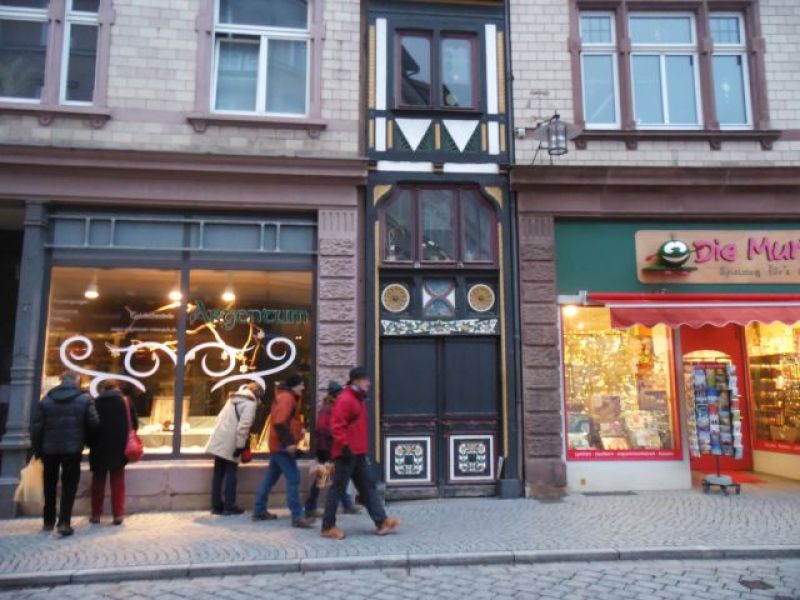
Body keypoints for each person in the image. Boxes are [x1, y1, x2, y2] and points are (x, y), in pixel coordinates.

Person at [321, 367, 399, 540]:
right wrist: (345, 446)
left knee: (368, 487)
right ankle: (327, 527)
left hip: (358, 452)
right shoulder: (346, 399)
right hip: (346, 452)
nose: (369, 383)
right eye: (366, 380)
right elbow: (337, 425)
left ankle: (382, 522)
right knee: (337, 489)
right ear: (356, 381)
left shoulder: (358, 398)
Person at [30, 371, 99, 536]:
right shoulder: (84, 400)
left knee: (49, 484)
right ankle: (64, 522)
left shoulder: (46, 400)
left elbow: (36, 428)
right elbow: (94, 423)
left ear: (60, 381)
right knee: (69, 485)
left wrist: (38, 450)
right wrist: (87, 441)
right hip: (73, 449)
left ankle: (48, 521)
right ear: (76, 381)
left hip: (49, 449)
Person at [251, 374, 314, 528]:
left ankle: (259, 510)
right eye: (300, 385)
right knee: (293, 478)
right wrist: (289, 443)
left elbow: (285, 421)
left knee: (270, 478)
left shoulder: (286, 397)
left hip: (278, 445)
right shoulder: (286, 398)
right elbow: (280, 423)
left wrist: (298, 430)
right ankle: (297, 516)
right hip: (282, 447)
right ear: (294, 386)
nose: (303, 387)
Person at [304, 381, 360, 519]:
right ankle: (345, 504)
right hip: (327, 448)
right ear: (335, 395)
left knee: (326, 476)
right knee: (333, 476)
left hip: (326, 447)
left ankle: (312, 506)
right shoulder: (329, 408)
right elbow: (324, 430)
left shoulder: (330, 407)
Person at [89, 380, 138, 525]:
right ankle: (118, 514)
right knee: (117, 481)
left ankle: (96, 514)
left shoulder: (95, 403)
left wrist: (90, 442)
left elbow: (90, 425)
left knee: (98, 482)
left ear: (103, 389)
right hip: (119, 447)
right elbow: (134, 424)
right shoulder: (125, 402)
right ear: (117, 389)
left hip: (98, 447)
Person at [205, 385, 258, 515]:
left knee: (218, 473)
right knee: (231, 473)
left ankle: (216, 505)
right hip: (232, 441)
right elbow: (243, 427)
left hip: (220, 438)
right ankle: (229, 506)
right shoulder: (250, 403)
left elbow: (220, 416)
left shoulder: (233, 398)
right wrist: (240, 446)